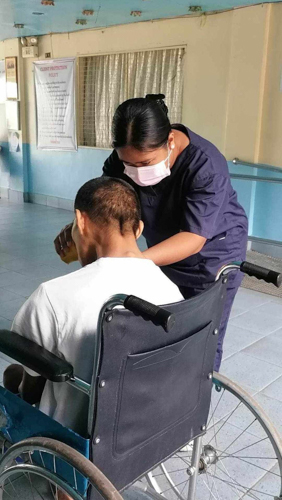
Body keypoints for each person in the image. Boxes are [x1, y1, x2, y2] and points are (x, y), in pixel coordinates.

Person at [54, 94, 248, 370]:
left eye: (144, 164)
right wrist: (79, 229)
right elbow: (107, 203)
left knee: (201, 336)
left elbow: (193, 238)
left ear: (170, 141)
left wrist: (134, 262)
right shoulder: (123, 160)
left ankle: (194, 405)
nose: (135, 171)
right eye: (128, 164)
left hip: (212, 255)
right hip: (160, 251)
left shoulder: (205, 165)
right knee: (159, 327)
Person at [4, 177, 183, 436]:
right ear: (139, 229)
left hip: (75, 437)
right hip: (144, 426)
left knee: (13, 373)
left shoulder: (54, 296)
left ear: (81, 221)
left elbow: (30, 388)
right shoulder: (171, 292)